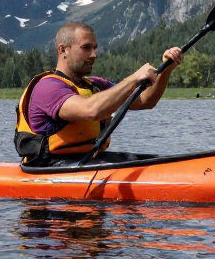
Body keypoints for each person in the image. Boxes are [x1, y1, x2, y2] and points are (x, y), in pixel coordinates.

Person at [14, 21, 182, 166]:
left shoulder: (96, 85)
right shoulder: (48, 87)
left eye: (95, 48)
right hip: (50, 167)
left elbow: (145, 101)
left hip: (87, 161)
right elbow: (91, 110)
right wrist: (134, 78)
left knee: (147, 161)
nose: (94, 55)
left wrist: (166, 70)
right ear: (63, 50)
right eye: (86, 48)